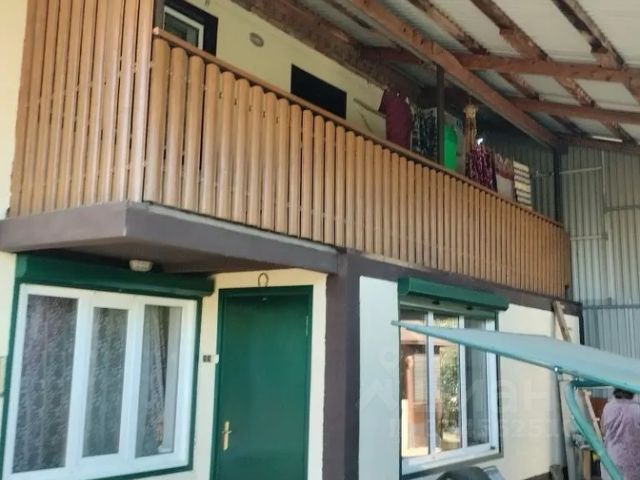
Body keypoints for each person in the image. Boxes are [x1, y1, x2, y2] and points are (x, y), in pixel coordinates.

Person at [601, 388, 640, 479]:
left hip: (613, 460)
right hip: (633, 463)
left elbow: (603, 430)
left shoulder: (608, 407)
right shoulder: (638, 409)